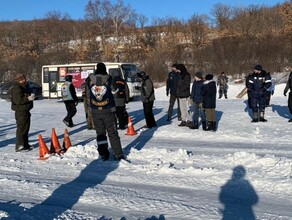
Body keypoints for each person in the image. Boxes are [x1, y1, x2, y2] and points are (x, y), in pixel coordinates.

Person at [86, 62, 125, 161]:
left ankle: (103, 154)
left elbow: (87, 94)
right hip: (108, 110)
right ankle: (118, 154)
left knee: (100, 133)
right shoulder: (109, 79)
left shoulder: (89, 80)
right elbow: (114, 91)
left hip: (95, 111)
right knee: (112, 133)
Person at [10, 73, 35, 152]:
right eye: (22, 79)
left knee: (26, 128)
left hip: (25, 110)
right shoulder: (17, 88)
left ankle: (25, 144)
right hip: (20, 111)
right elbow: (18, 101)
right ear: (19, 80)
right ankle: (19, 145)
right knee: (21, 128)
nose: (24, 80)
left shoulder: (23, 87)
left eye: (24, 78)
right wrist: (28, 99)